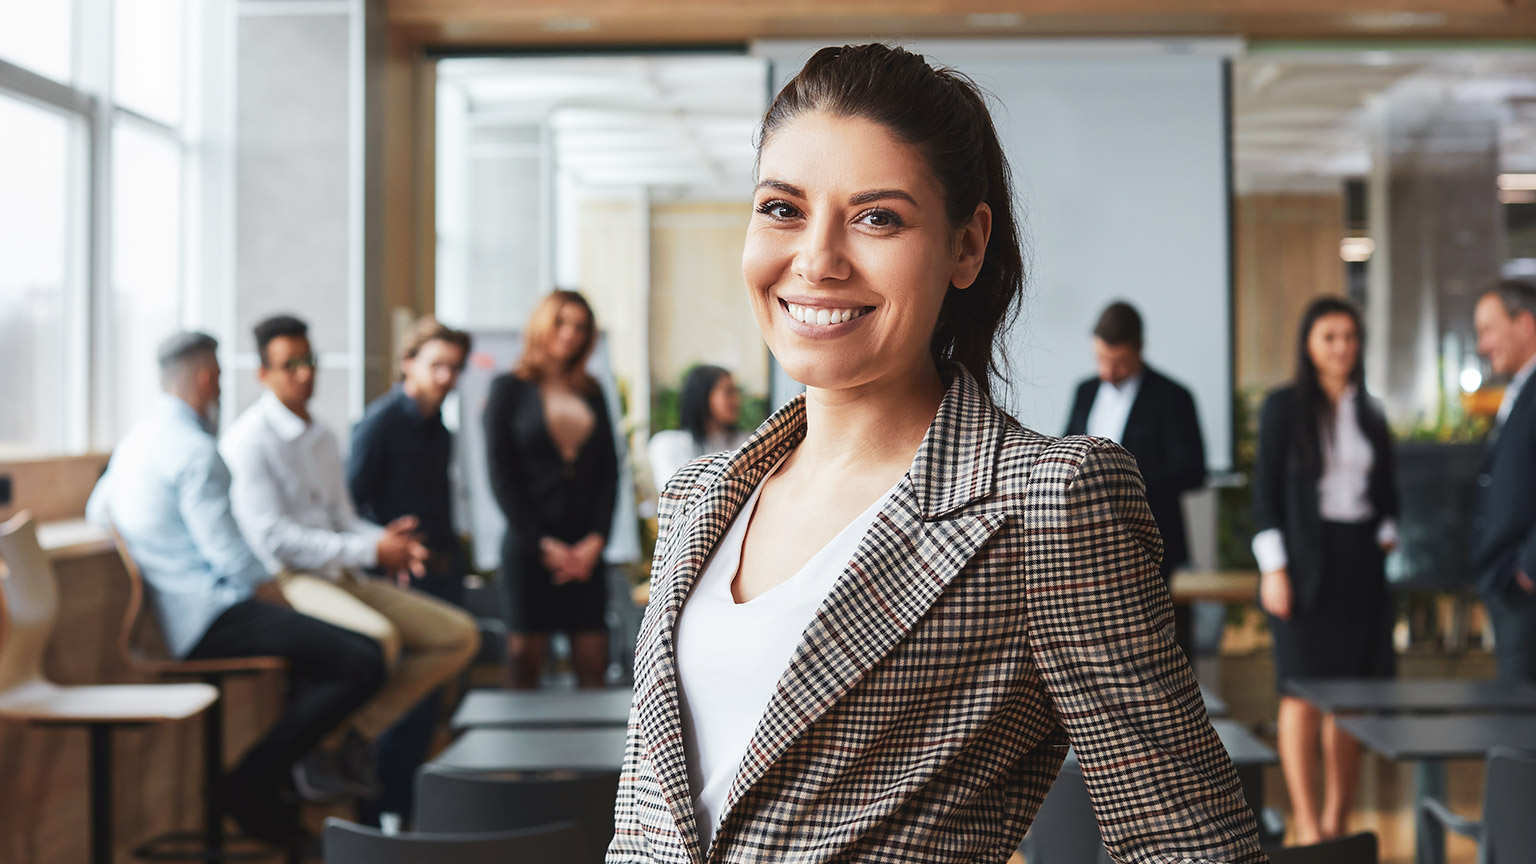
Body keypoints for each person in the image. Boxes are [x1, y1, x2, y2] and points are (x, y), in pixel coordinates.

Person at [608, 44, 1263, 863]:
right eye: (782, 208)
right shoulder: (700, 497)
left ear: (966, 246)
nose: (816, 258)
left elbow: (1188, 844)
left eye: (877, 217)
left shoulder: (1046, 503)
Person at [86, 332, 386, 847]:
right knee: (362, 659)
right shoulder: (197, 450)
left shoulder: (137, 441)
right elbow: (230, 555)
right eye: (221, 378)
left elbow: (98, 511)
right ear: (207, 380)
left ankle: (281, 781)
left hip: (179, 616)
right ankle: (251, 783)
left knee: (333, 653)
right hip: (212, 617)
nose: (221, 389)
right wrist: (277, 596)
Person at [221, 313, 478, 821]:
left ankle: (351, 734)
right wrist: (368, 551)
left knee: (459, 636)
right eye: (289, 364)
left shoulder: (322, 434)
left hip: (343, 572)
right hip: (290, 580)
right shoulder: (248, 440)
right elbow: (275, 539)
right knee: (382, 640)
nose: (303, 373)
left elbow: (343, 518)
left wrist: (383, 541)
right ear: (263, 374)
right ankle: (328, 750)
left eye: (309, 360)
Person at [1251, 296, 1399, 844]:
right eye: (1329, 337)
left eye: (1349, 338)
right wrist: (1274, 568)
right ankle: (1309, 827)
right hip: (1301, 564)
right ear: (1309, 345)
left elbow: (1387, 493)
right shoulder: (1283, 408)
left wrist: (1388, 534)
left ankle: (1337, 825)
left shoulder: (1371, 410)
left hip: (1359, 564)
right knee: (1300, 695)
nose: (1342, 348)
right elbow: (1264, 495)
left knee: (1351, 700)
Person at [346, 315, 473, 824]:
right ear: (407, 363)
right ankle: (379, 816)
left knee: (432, 705)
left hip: (443, 572)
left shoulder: (439, 428)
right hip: (399, 577)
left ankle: (409, 814)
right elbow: (350, 506)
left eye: (455, 368)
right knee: (402, 702)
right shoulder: (379, 423)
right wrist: (387, 543)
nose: (446, 377)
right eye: (437, 365)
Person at [484, 290, 618, 689]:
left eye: (580, 327)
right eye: (561, 322)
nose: (570, 334)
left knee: (593, 659)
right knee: (525, 658)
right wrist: (544, 544)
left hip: (586, 547)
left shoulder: (592, 390)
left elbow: (609, 472)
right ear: (543, 325)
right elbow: (501, 477)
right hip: (530, 546)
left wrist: (596, 541)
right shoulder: (508, 388)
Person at [1064, 300, 1206, 657]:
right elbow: (1065, 449)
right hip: (1088, 545)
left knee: (1158, 649)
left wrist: (1120, 478)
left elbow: (1193, 470)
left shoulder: (1173, 397)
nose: (1108, 371)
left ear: (1139, 351)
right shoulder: (1085, 391)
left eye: (1119, 362)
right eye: (1101, 359)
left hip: (1154, 545)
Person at [1472, 279, 1536, 682]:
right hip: (1512, 584)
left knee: (1522, 729)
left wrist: (1529, 566)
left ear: (1525, 324)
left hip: (1526, 583)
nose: (1482, 345)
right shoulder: (1520, 387)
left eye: (1488, 329)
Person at [648, 364, 748, 487]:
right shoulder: (667, 444)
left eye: (736, 392)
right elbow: (678, 493)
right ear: (702, 395)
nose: (737, 400)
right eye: (728, 392)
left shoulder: (744, 443)